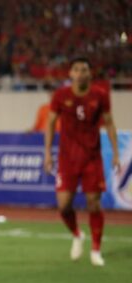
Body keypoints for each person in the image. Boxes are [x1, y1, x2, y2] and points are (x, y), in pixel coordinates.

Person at [43, 57, 120, 266]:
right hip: (67, 158)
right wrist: (47, 152)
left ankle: (96, 249)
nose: (79, 73)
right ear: (70, 74)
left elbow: (110, 123)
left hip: (91, 158)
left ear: (89, 74)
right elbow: (50, 123)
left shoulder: (100, 95)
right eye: (76, 70)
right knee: (63, 205)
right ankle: (77, 234)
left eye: (83, 70)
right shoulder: (61, 95)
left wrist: (115, 153)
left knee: (93, 203)